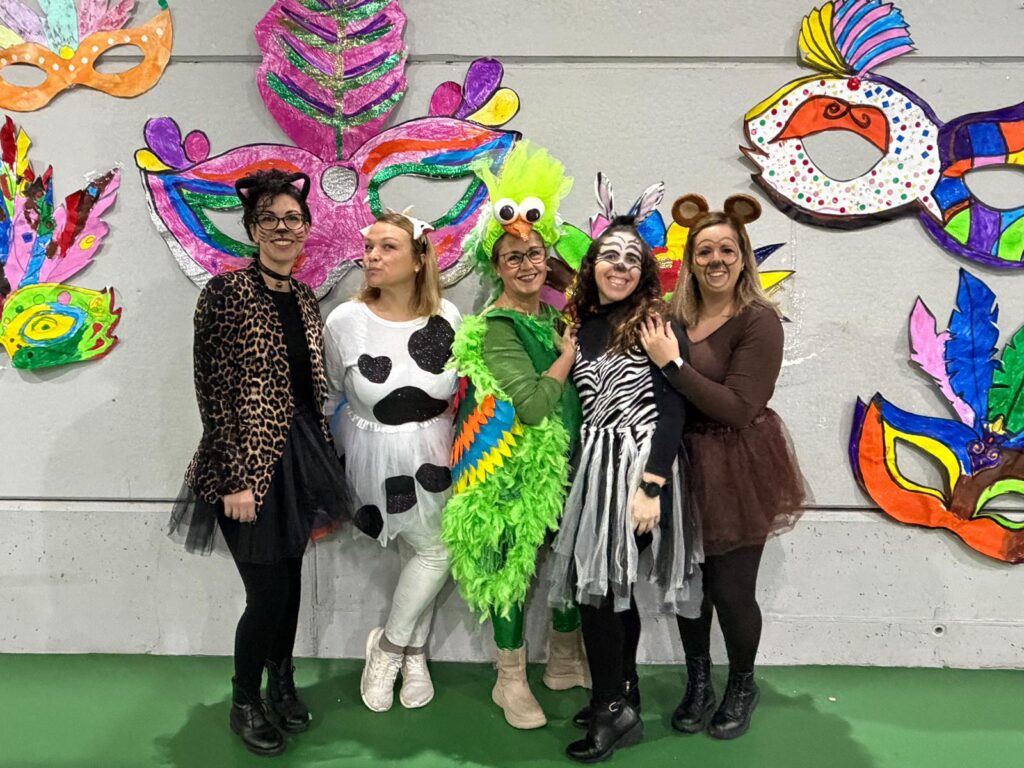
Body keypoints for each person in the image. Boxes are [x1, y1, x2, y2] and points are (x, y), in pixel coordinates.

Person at [168, 169, 351, 757]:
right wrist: (233, 479)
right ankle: (244, 700)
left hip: (299, 460)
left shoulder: (304, 298)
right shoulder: (224, 294)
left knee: (290, 585)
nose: (281, 228)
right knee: (266, 594)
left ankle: (282, 683)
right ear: (251, 229)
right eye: (268, 219)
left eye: (292, 219)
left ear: (306, 229)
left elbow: (308, 391)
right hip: (244, 466)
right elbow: (212, 394)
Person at [640, 193, 806, 740]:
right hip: (679, 465)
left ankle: (741, 683)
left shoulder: (759, 321)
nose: (716, 260)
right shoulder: (673, 319)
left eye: (727, 250)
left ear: (743, 256)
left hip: (736, 465)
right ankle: (698, 683)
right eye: (704, 250)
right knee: (689, 588)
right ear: (690, 260)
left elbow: (738, 408)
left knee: (731, 591)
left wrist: (673, 364)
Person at [548, 185, 703, 763]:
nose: (620, 266)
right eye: (609, 256)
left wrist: (651, 488)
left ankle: (611, 708)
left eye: (632, 259)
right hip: (596, 466)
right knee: (607, 587)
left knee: (601, 591)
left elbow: (673, 411)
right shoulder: (585, 323)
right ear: (592, 265)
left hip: (639, 469)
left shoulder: (655, 325)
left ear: (645, 272)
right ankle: (622, 692)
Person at [443, 141, 592, 729]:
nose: (527, 265)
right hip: (510, 472)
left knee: (566, 563)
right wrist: (566, 359)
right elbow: (531, 406)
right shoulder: (497, 326)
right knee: (512, 568)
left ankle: (564, 662)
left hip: (564, 463)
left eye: (534, 254)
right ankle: (509, 680)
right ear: (496, 267)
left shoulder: (551, 318)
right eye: (513, 258)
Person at [324, 210, 461, 713]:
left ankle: (394, 649)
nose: (372, 257)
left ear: (419, 259)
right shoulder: (345, 322)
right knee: (425, 550)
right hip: (372, 452)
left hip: (436, 452)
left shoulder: (448, 318)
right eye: (370, 247)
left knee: (431, 549)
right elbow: (330, 392)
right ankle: (404, 651)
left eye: (388, 247)